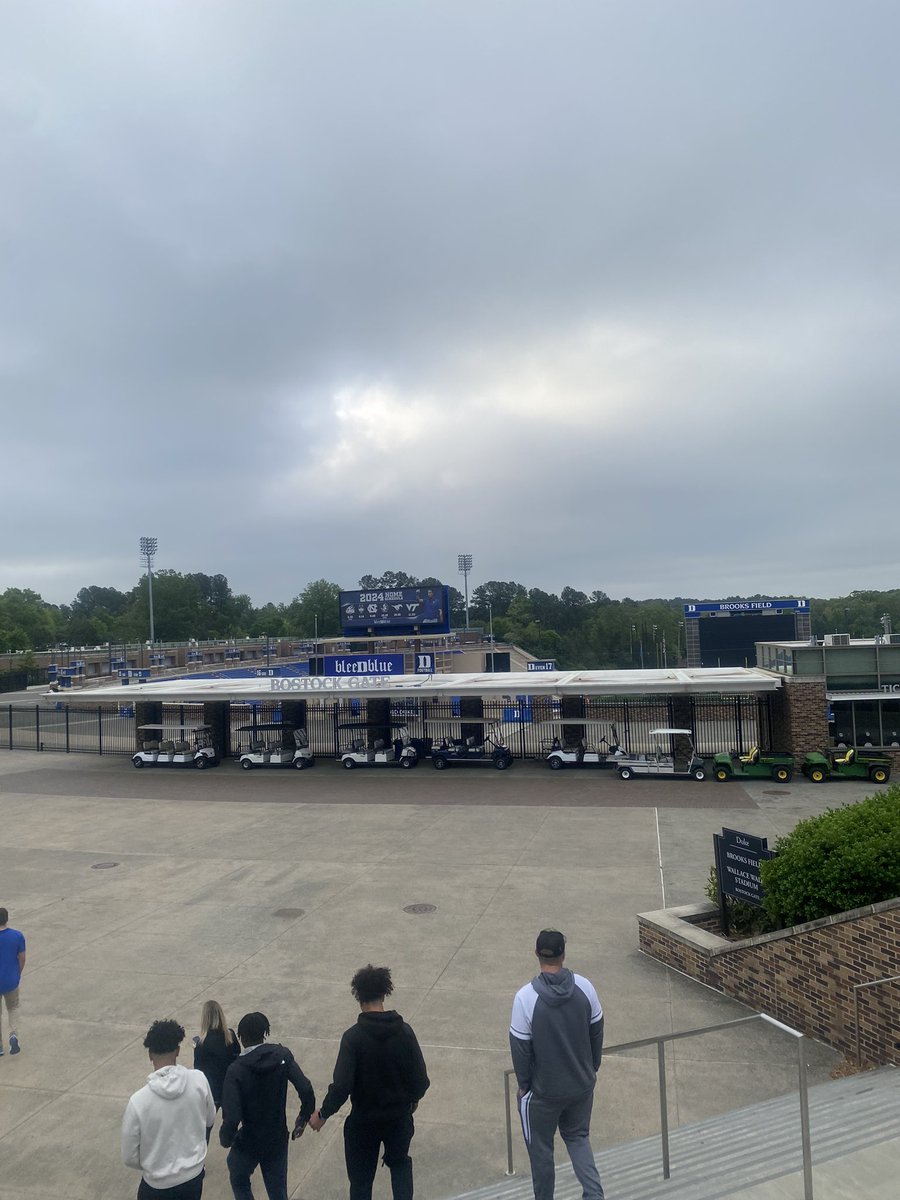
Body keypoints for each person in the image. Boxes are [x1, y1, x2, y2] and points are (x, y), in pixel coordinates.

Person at [309, 964, 430, 1200]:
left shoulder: (352, 1038)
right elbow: (421, 1080)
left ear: (359, 997)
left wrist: (322, 1114)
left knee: (361, 1183)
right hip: (398, 1119)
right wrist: (411, 1100)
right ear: (384, 994)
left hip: (363, 1123)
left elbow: (342, 1086)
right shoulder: (405, 1032)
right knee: (401, 1167)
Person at [509, 930, 605, 1200]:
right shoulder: (586, 987)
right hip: (581, 1085)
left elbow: (520, 1049)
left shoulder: (525, 998)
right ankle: (594, 1195)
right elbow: (596, 1032)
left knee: (541, 1153)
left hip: (542, 1094)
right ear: (564, 954)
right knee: (578, 1138)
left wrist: (524, 1086)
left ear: (536, 954)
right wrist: (590, 1068)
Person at [219, 1011, 315, 1200]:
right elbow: (306, 1089)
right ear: (264, 1033)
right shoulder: (282, 1055)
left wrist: (226, 1138)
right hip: (276, 1138)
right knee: (278, 1191)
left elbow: (232, 1117)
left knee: (238, 1175)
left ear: (241, 1037)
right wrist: (303, 1117)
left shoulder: (236, 1070)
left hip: (249, 1141)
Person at [121, 1018, 215, 1199]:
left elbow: (129, 1156)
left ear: (150, 1055)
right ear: (178, 1051)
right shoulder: (199, 1080)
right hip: (193, 1177)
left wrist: (154, 1163)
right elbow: (209, 1119)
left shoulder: (139, 1101)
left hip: (157, 1184)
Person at [193, 1000, 241, 1128]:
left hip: (212, 1091)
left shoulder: (201, 1044)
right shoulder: (230, 1036)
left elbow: (198, 1069)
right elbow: (237, 1056)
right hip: (229, 1088)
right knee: (230, 1125)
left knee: (206, 1128)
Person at [0, 907, 25, 1056]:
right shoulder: (17, 936)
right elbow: (22, 957)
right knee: (13, 1008)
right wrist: (18, 973)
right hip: (11, 980)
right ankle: (13, 1034)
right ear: (7, 919)